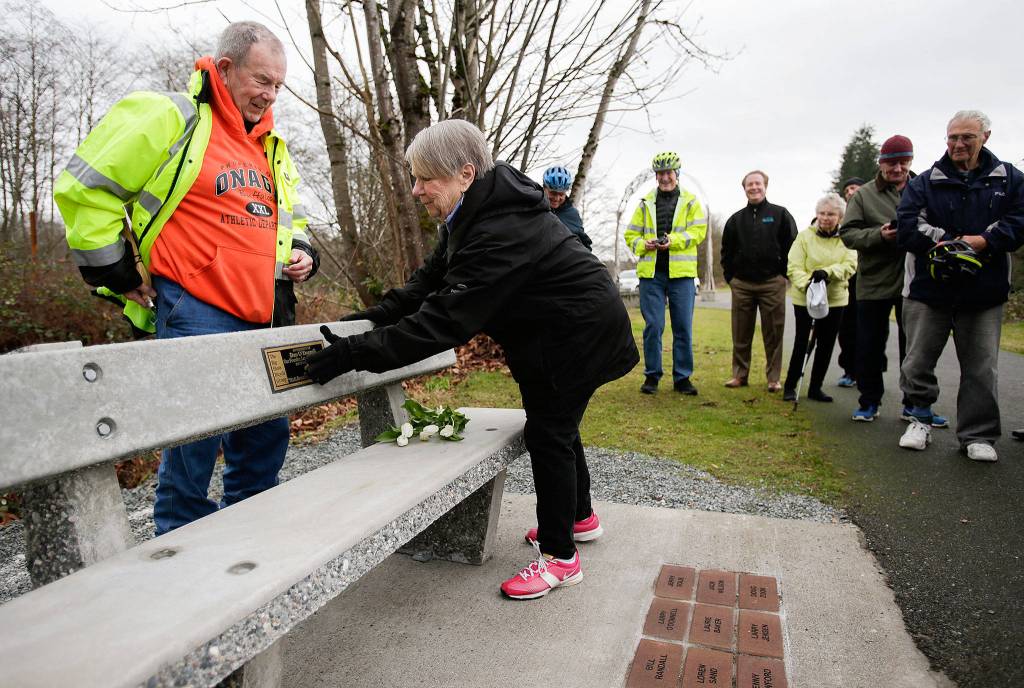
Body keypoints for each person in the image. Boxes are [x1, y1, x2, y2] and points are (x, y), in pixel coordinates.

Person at [304, 120, 638, 600]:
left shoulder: (499, 229)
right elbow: (428, 282)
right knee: (558, 427)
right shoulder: (474, 209)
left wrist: (355, 354)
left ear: (464, 172)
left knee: (549, 432)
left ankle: (561, 557)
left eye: (425, 179)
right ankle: (578, 518)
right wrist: (370, 318)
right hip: (558, 332)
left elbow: (443, 323)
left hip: (576, 335)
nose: (416, 189)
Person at [54, 21, 318, 534]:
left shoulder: (270, 146)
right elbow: (87, 189)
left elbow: (292, 220)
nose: (269, 95)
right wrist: (117, 272)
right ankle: (180, 547)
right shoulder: (169, 116)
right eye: (261, 80)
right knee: (194, 446)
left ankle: (251, 536)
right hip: (194, 308)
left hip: (265, 313)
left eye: (278, 86)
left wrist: (303, 253)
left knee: (266, 437)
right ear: (224, 68)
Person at [895, 110, 1024, 461]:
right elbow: (907, 224)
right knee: (917, 361)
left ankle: (978, 435)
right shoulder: (924, 181)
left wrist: (985, 240)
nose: (958, 144)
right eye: (952, 137)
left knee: (981, 367)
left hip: (984, 291)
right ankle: (918, 418)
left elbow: (1019, 221)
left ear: (986, 137)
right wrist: (954, 243)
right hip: (929, 289)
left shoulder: (1009, 179)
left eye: (967, 137)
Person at [839, 135, 947, 427]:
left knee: (915, 348)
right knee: (869, 346)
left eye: (903, 162)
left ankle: (914, 405)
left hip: (916, 281)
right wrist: (878, 235)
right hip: (873, 282)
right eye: (891, 163)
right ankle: (869, 401)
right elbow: (847, 234)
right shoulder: (863, 195)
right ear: (881, 163)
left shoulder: (925, 187)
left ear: (911, 161)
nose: (897, 168)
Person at [624, 152, 707, 395]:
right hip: (652, 276)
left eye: (669, 173)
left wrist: (673, 241)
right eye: (660, 173)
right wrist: (644, 244)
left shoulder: (692, 202)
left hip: (681, 275)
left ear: (676, 174)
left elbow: (698, 232)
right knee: (654, 326)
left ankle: (682, 378)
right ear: (656, 176)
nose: (665, 177)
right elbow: (631, 235)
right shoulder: (644, 203)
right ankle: (652, 376)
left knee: (682, 327)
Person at [721, 170, 798, 391]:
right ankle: (739, 375)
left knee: (773, 332)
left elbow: (791, 246)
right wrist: (731, 278)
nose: (754, 187)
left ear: (765, 186)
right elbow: (726, 251)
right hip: (742, 285)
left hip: (772, 283)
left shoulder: (780, 214)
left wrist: (783, 275)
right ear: (744, 188)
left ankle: (773, 379)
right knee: (740, 332)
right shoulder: (735, 220)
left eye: (758, 184)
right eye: (749, 185)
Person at [782, 193, 857, 402]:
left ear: (840, 217)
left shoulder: (847, 238)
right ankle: (790, 385)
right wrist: (809, 284)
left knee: (826, 344)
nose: (825, 218)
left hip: (834, 299)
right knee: (803, 342)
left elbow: (850, 265)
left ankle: (816, 387)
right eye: (822, 213)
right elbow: (793, 266)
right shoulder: (805, 236)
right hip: (805, 297)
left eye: (831, 214)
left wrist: (828, 273)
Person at [834, 176, 866, 388]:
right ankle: (849, 370)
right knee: (846, 328)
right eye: (848, 189)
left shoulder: (869, 213)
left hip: (867, 277)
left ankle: (868, 371)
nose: (851, 192)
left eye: (855, 188)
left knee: (867, 329)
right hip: (845, 280)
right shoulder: (838, 217)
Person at [542, 165, 593, 250]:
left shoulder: (572, 214)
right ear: (544, 188)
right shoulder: (534, 207)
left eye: (561, 194)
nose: (557, 198)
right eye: (553, 193)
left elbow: (584, 245)